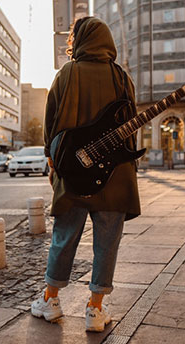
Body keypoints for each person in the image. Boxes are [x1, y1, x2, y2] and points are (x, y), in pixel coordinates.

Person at [31, 17, 140, 332]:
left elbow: (50, 124)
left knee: (64, 237)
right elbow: (131, 127)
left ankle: (50, 301)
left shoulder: (67, 74)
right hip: (116, 174)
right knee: (107, 242)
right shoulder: (121, 77)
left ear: (78, 41)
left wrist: (52, 161)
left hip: (75, 173)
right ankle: (95, 309)